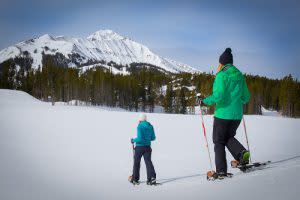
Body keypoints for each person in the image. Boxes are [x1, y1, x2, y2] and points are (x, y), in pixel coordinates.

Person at [200, 48, 251, 178]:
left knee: (218, 141)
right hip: (237, 116)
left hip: (223, 115)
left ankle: (221, 171)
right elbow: (246, 97)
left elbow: (219, 95)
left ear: (222, 63)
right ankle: (242, 154)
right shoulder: (240, 75)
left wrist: (204, 101)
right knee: (228, 137)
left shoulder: (221, 75)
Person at [129, 113, 157, 185]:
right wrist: (147, 138)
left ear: (140, 120)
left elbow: (140, 138)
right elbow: (153, 138)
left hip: (139, 147)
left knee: (137, 162)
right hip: (147, 147)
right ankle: (151, 178)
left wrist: (133, 140)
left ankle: (135, 179)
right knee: (148, 162)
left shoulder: (140, 126)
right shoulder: (150, 126)